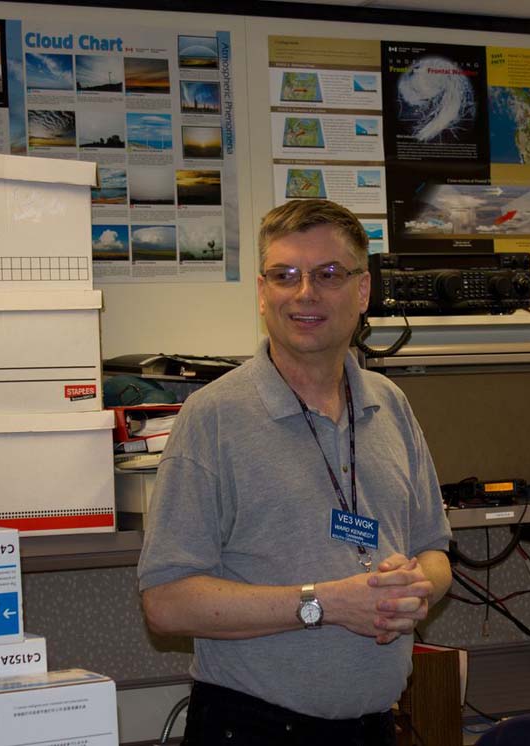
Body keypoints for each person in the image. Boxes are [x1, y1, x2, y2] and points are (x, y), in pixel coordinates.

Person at [137, 199, 453, 746]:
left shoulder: (389, 404)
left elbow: (435, 550)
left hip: (375, 726)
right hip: (252, 728)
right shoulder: (212, 418)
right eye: (285, 275)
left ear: (363, 291)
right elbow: (165, 603)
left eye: (328, 274)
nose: (304, 293)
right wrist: (328, 603)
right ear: (262, 293)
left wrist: (413, 589)